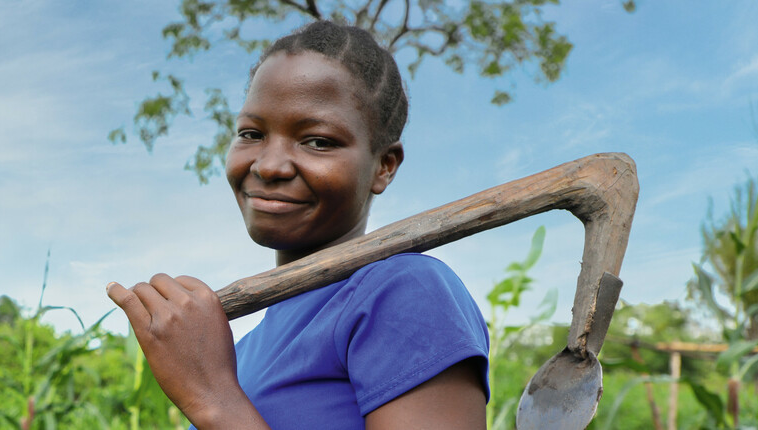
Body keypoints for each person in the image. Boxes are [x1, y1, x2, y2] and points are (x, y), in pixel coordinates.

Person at [106, 20, 489, 429]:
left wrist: (212, 399)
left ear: (384, 165)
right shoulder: (242, 351)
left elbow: (218, 404)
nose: (268, 165)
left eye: (318, 141)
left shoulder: (403, 291)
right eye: (251, 133)